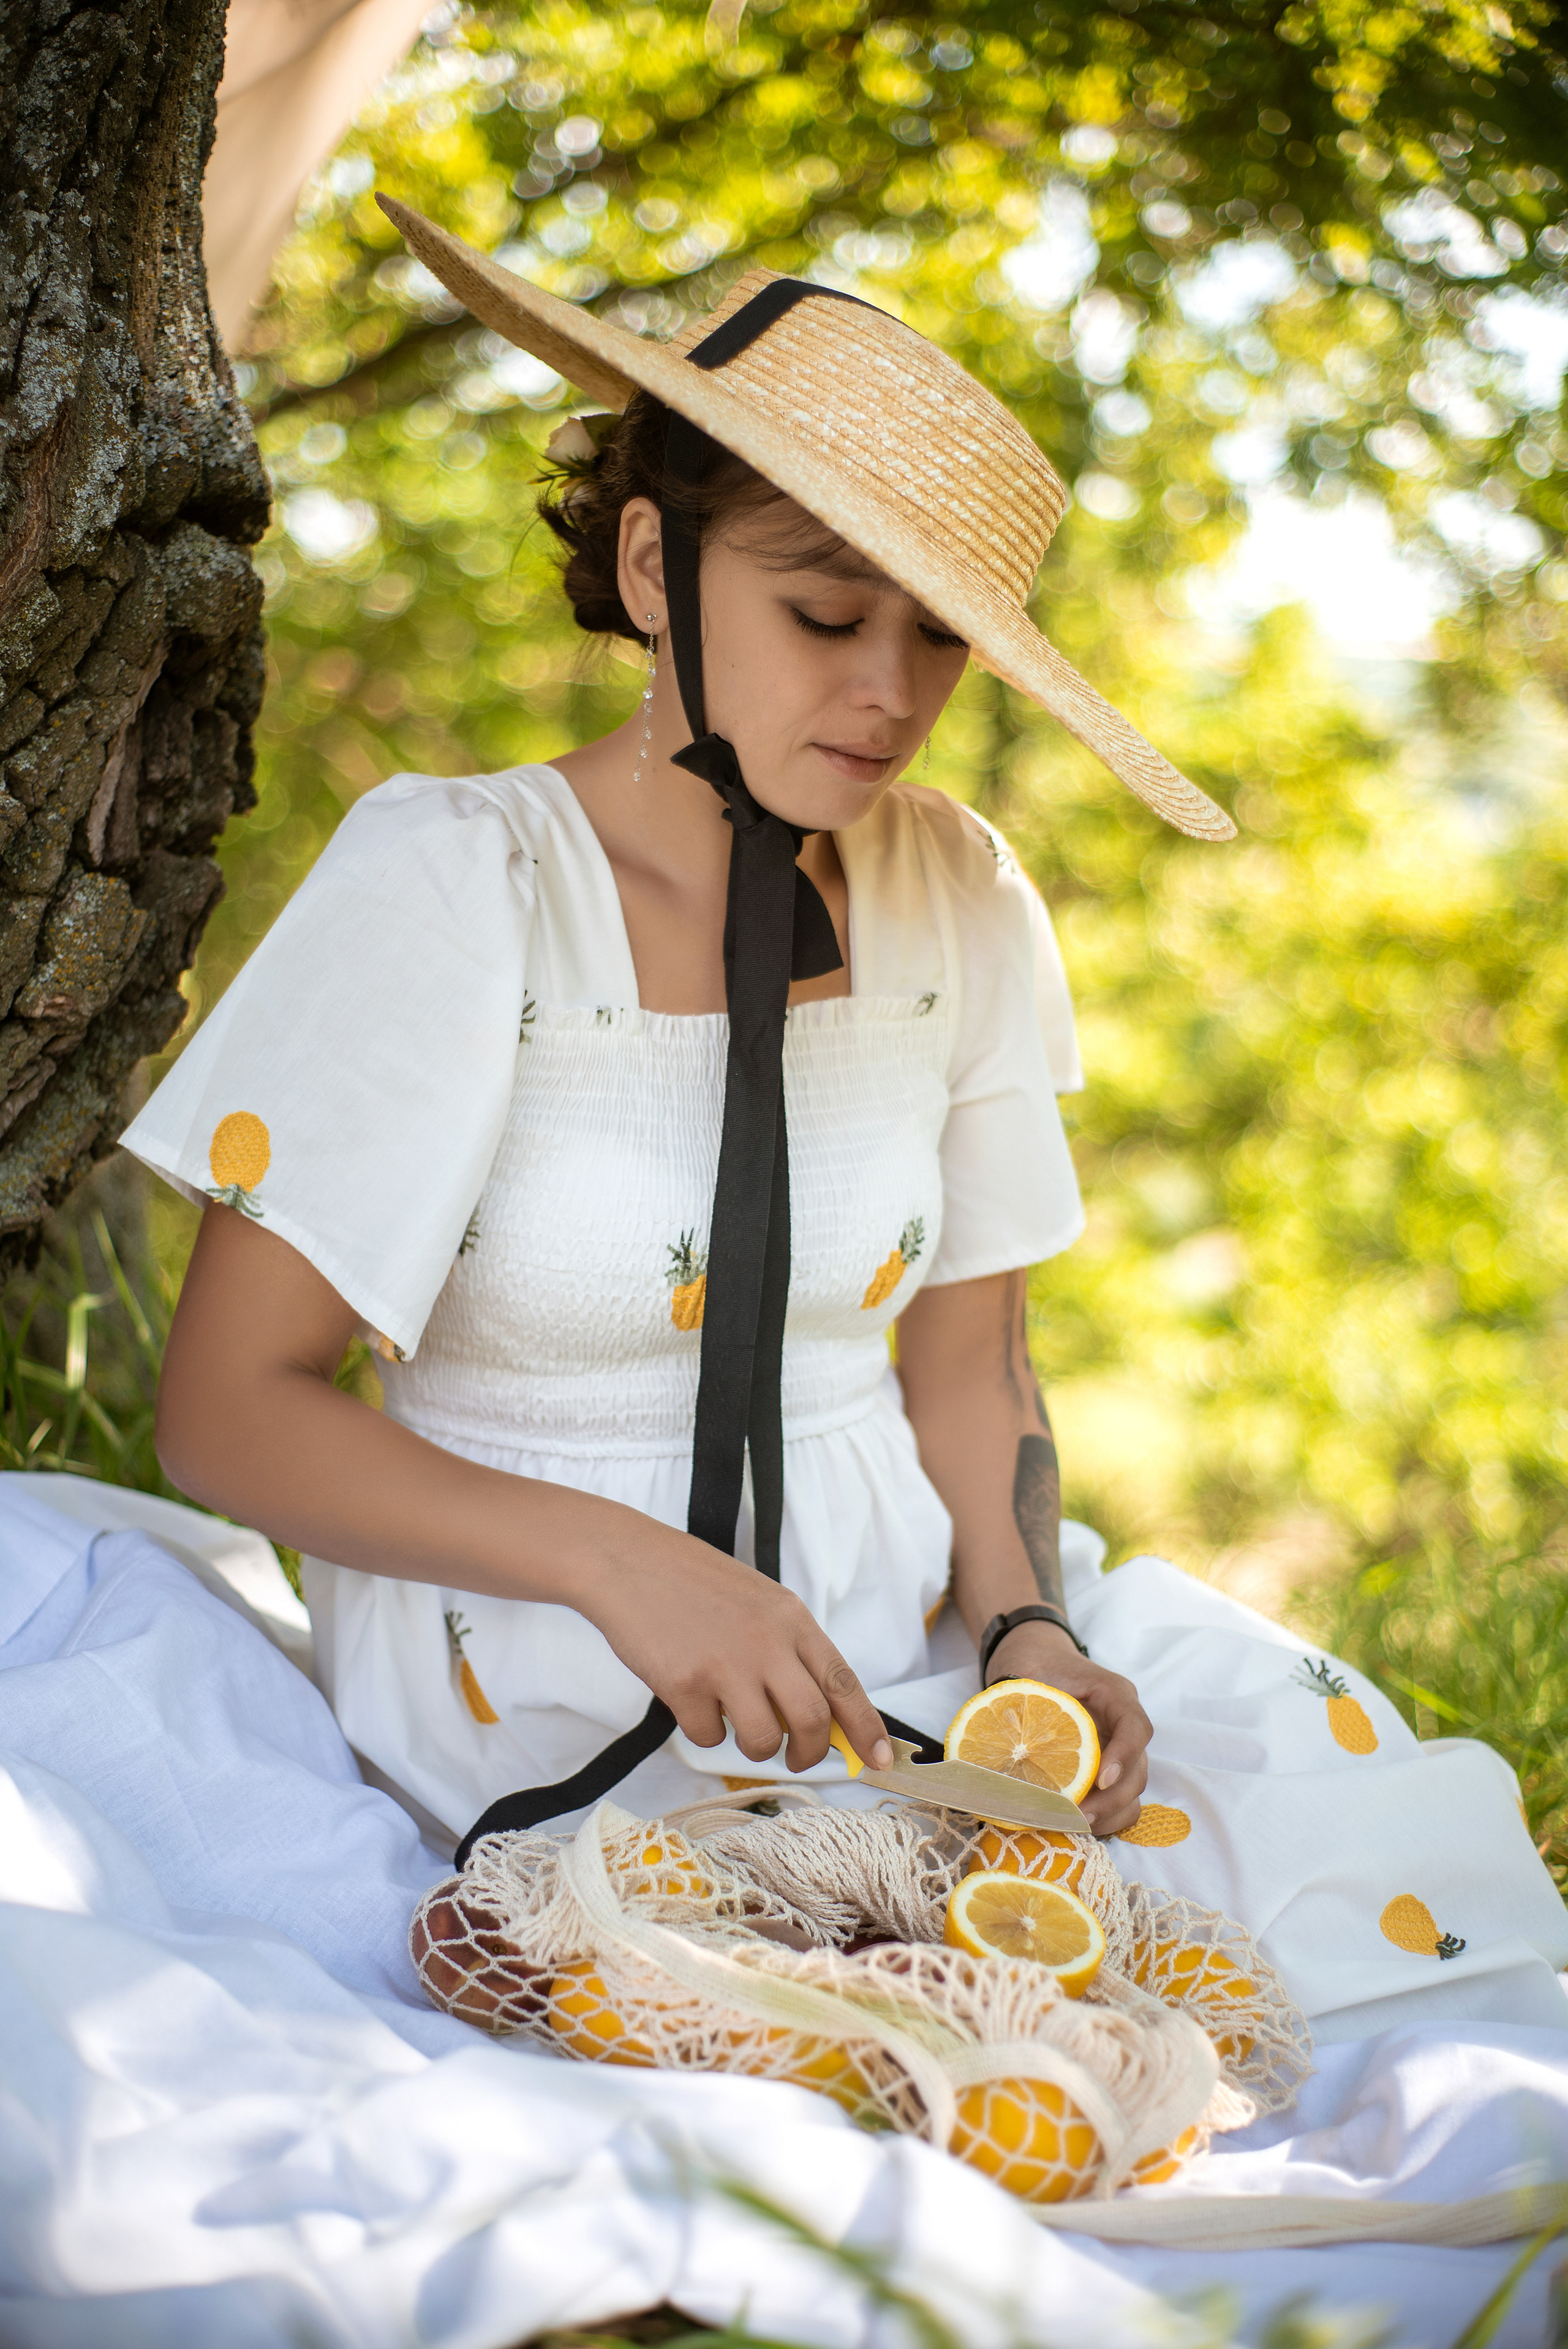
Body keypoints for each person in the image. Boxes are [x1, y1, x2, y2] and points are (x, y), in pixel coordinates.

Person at [124, 203, 1568, 2041]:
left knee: (1334, 1906)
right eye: (823, 612)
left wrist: (1028, 1624)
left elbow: (972, 1364)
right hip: (537, 1661)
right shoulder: (460, 882)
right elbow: (227, 1412)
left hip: (905, 1640)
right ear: (653, 565)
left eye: (941, 637)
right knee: (824, 2010)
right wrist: (625, 1565)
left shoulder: (960, 892)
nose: (889, 696)